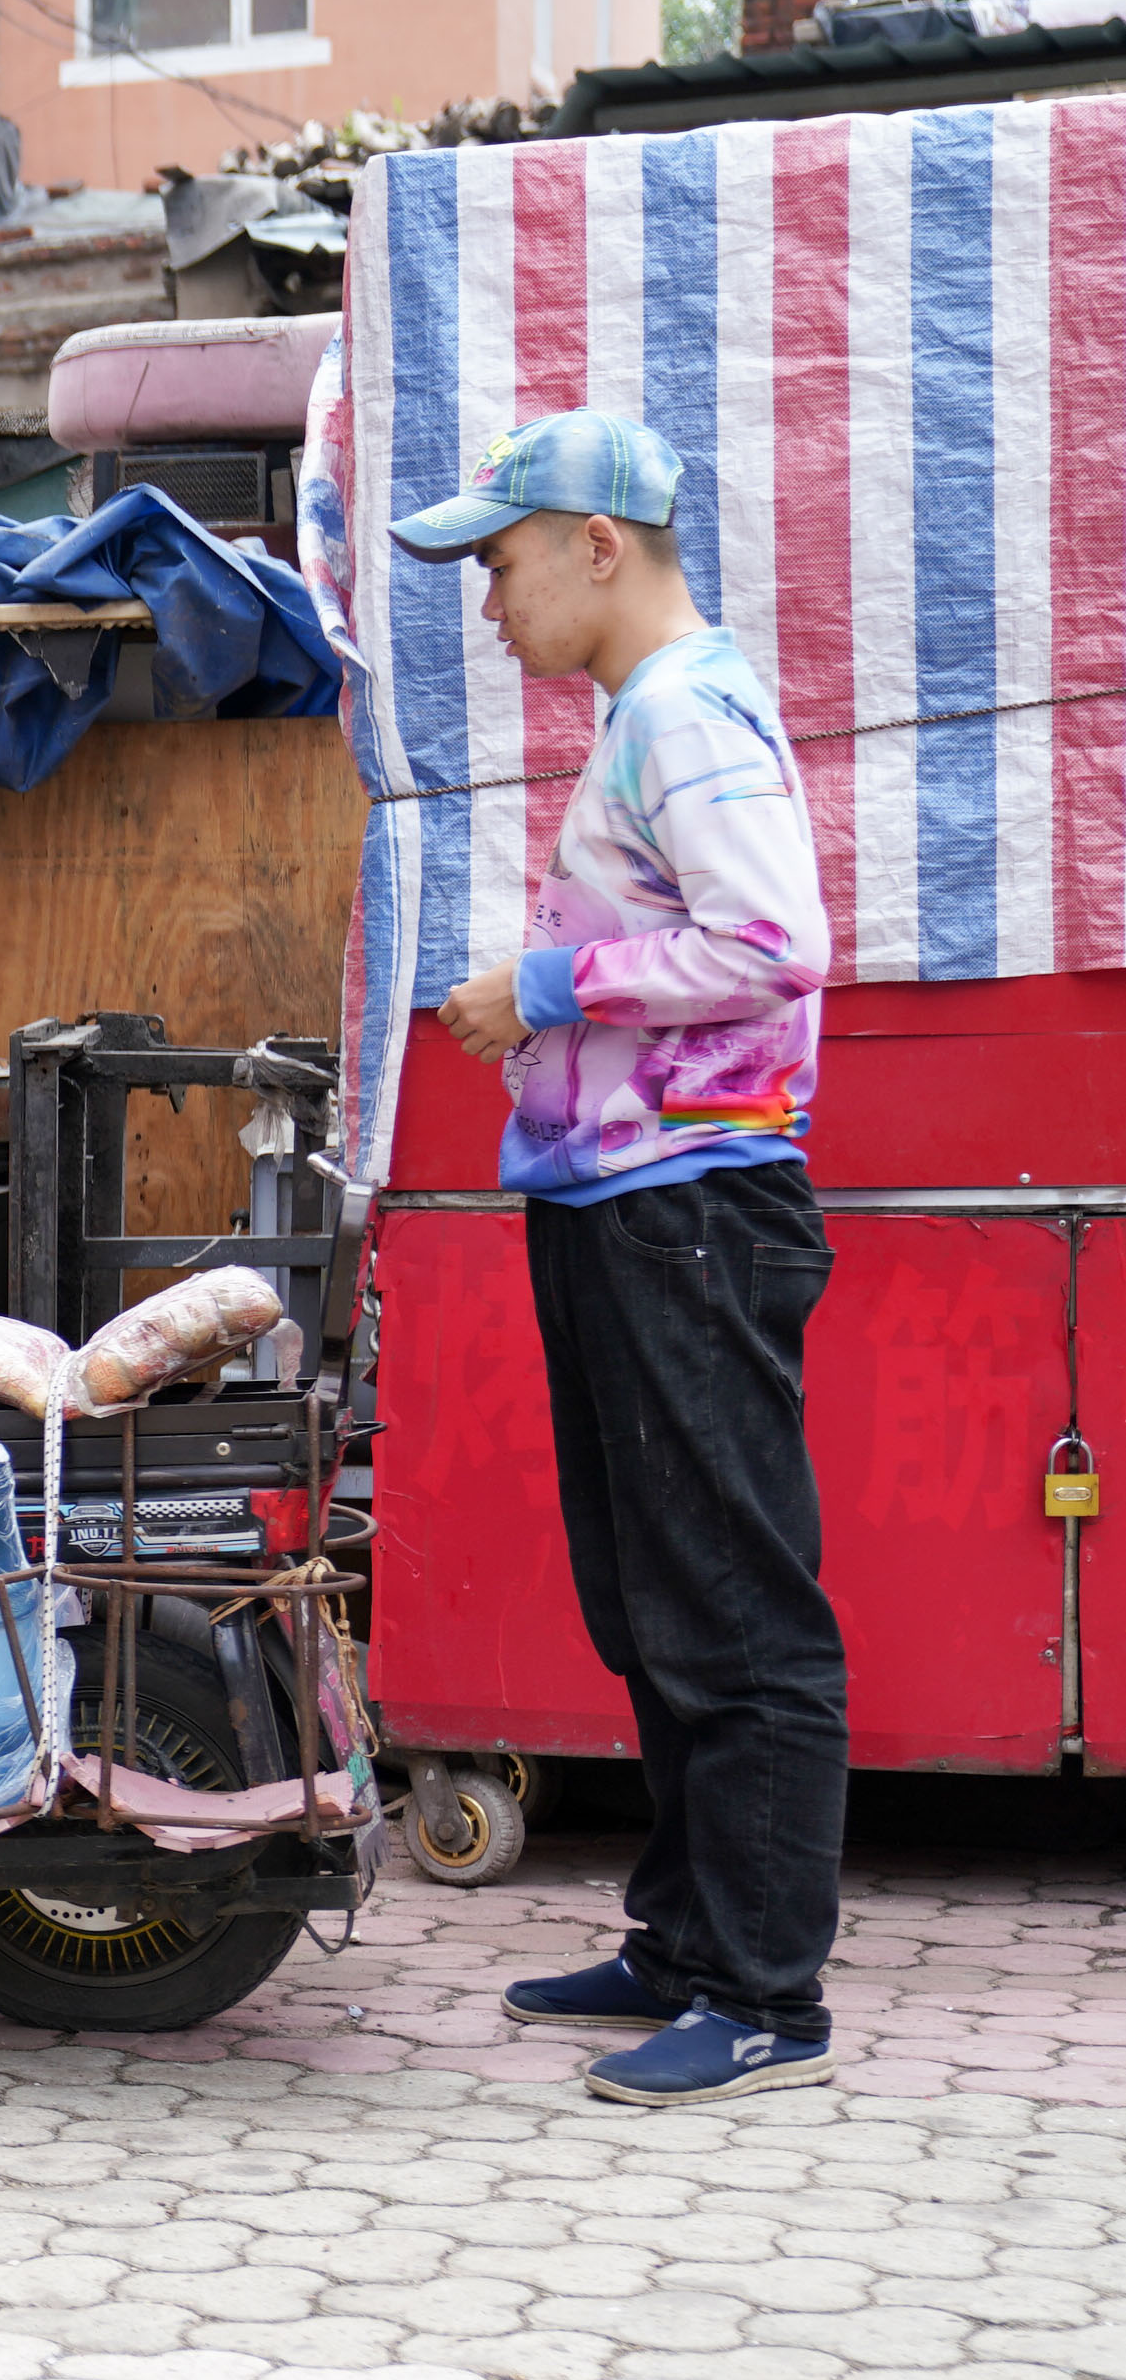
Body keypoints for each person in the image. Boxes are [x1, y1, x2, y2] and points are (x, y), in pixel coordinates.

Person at [404, 408, 844, 2107]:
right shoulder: (645, 715)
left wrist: (546, 988)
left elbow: (769, 941)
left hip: (687, 1204)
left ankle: (761, 1993)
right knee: (654, 1586)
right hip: (622, 1199)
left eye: (502, 562)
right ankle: (682, 1938)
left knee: (730, 1598)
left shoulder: (682, 713)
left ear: (599, 544)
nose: (490, 601)